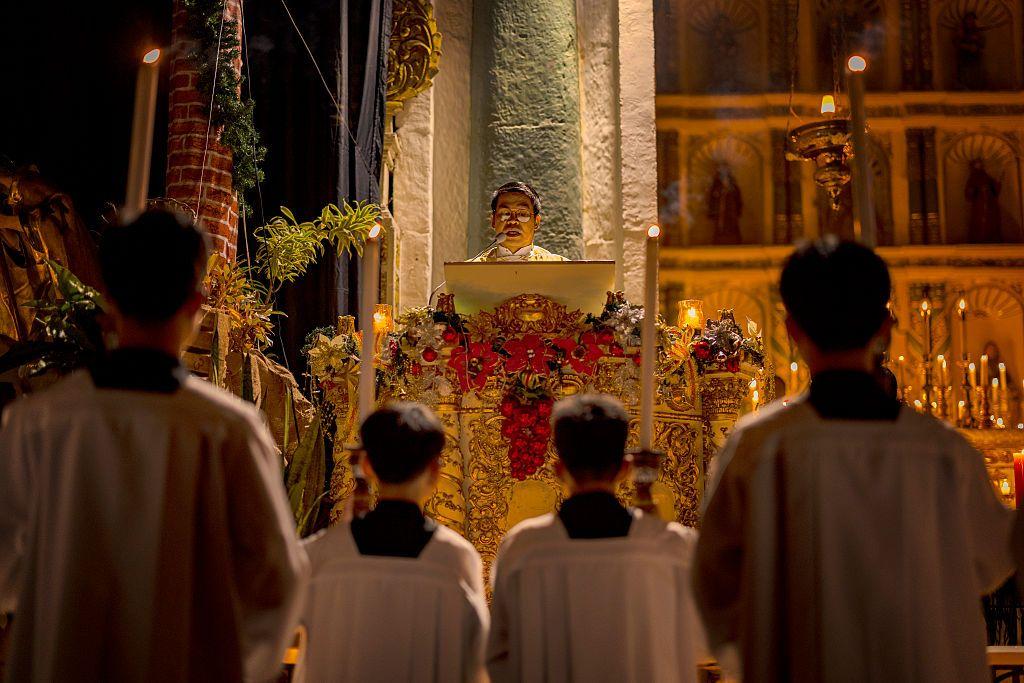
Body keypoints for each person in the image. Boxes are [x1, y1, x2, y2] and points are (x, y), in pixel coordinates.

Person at [0, 209, 308, 682]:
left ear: (106, 298)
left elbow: (6, 562)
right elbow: (277, 579)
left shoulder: (35, 423)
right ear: (196, 302)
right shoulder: (230, 431)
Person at [693, 237, 1015, 682]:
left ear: (792, 329)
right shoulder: (943, 452)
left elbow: (714, 584)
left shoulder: (758, 448)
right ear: (886, 327)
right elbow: (990, 560)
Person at [487, 393, 707, 682]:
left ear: (558, 470)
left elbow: (499, 657)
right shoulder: (673, 547)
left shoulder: (523, 548)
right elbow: (701, 645)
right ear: (625, 469)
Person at [296, 402, 488, 682]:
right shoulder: (455, 559)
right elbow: (476, 664)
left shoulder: (320, 555)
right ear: (435, 470)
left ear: (367, 465)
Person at [471, 181, 568, 261]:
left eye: (522, 214)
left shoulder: (560, 268)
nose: (513, 221)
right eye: (505, 213)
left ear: (536, 222)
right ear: (493, 221)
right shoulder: (472, 270)